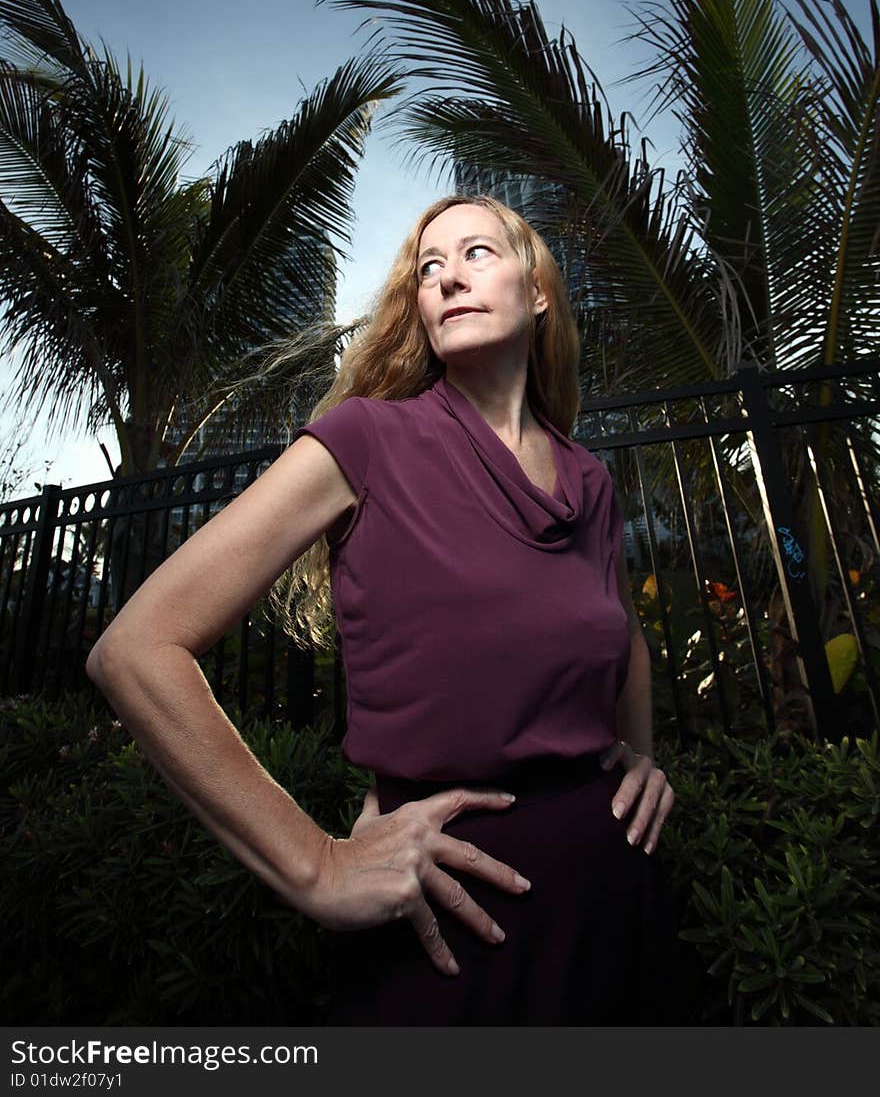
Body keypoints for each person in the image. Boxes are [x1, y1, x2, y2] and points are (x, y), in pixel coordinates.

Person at [86, 192, 686, 1026]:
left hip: (614, 894)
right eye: (427, 270)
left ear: (539, 291)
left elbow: (620, 635)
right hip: (448, 911)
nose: (445, 279)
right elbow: (138, 648)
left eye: (475, 253)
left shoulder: (590, 479)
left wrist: (640, 758)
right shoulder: (366, 438)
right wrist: (319, 867)